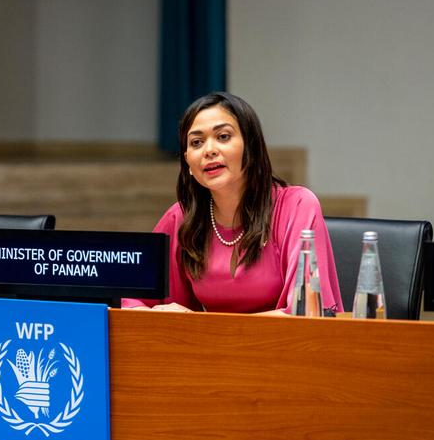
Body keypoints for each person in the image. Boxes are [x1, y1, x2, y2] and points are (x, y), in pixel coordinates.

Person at [123, 92, 342, 314]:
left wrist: (210, 330)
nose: (209, 150)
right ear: (188, 161)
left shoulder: (297, 206)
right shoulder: (181, 217)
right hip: (206, 347)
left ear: (251, 147)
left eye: (223, 137)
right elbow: (129, 299)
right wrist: (160, 313)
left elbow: (308, 313)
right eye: (196, 142)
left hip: (281, 346)